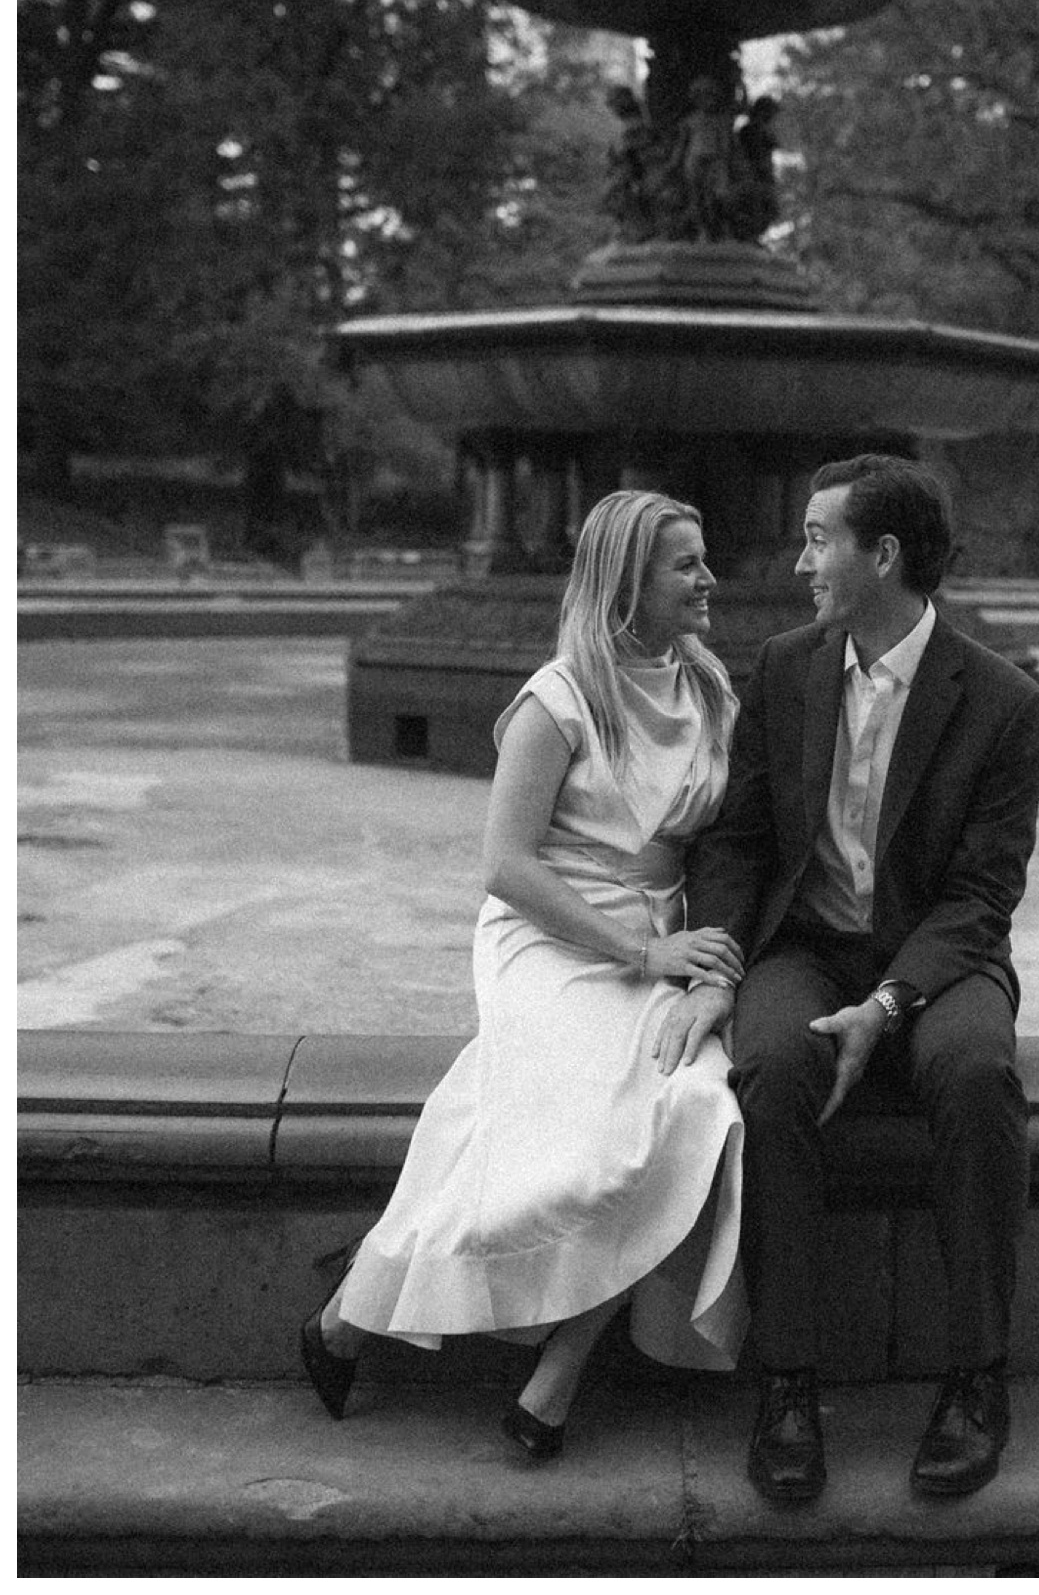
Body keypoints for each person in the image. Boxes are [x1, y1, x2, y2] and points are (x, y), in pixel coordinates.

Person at [300, 491, 749, 1458]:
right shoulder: (559, 698)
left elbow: (728, 845)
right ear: (626, 581)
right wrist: (640, 953)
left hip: (667, 934)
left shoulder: (710, 688)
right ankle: (354, 1313)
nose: (709, 578)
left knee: (696, 1104)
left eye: (703, 558)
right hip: (551, 938)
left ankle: (555, 1370)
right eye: (686, 564)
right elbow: (505, 865)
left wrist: (702, 957)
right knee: (591, 1131)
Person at [658, 454, 1039, 1503]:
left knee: (976, 1076)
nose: (800, 563)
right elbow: (738, 838)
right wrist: (718, 963)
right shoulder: (786, 666)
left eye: (817, 538)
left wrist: (888, 1004)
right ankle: (787, 1381)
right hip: (807, 944)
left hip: (938, 957)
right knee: (771, 1067)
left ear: (882, 554)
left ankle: (976, 1376)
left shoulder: (1006, 701)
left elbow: (983, 893)